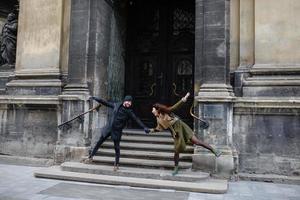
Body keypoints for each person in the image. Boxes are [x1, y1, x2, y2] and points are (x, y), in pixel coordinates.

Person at [150, 92, 221, 176]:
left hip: (182, 127)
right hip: (176, 133)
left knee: (196, 141)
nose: (152, 111)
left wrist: (183, 99)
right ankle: (176, 168)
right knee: (176, 151)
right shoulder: (158, 119)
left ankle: (214, 150)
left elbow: (174, 107)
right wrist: (150, 130)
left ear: (157, 109)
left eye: (153, 109)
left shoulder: (166, 113)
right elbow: (159, 128)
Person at [85, 95, 150, 171]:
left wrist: (144, 127)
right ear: (124, 101)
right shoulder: (116, 105)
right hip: (109, 128)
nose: (129, 103)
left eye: (130, 102)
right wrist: (96, 98)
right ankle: (90, 157)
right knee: (99, 142)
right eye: (127, 101)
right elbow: (106, 103)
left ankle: (116, 164)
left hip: (117, 131)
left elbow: (136, 119)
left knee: (117, 148)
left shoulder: (129, 112)